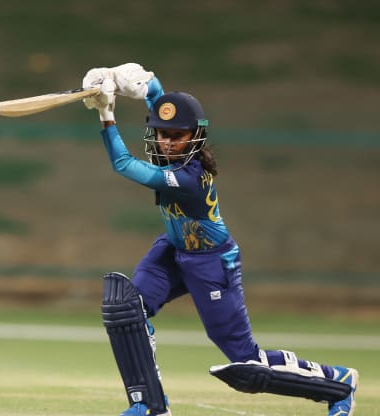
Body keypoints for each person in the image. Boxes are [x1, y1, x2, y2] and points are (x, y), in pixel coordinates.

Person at [82, 63, 358, 416]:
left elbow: (123, 163)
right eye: (161, 134)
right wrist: (144, 83)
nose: (166, 141)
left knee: (246, 360)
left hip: (211, 262)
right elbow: (159, 100)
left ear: (194, 136)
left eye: (175, 136)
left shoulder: (189, 178)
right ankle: (149, 406)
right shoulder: (175, 148)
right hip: (173, 249)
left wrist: (106, 112)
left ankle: (337, 383)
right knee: (126, 309)